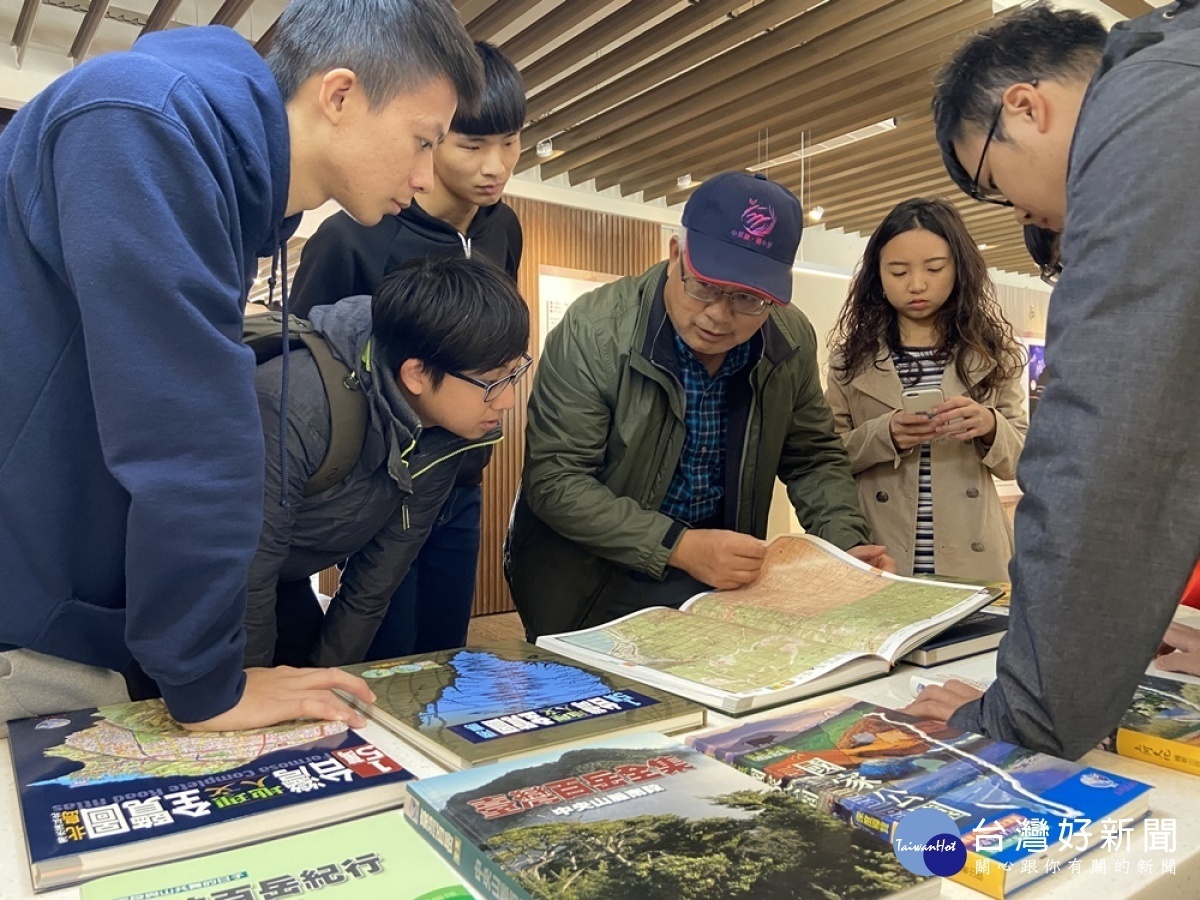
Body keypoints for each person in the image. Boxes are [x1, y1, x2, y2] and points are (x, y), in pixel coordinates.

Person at [0, 0, 482, 731]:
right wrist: (207, 681)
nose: (425, 177)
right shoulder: (145, 122)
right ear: (341, 95)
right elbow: (187, 432)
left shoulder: (218, 173)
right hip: (27, 627)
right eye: (422, 141)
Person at [907, 1, 1200, 757]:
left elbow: (1107, 438)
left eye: (992, 184)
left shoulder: (1149, 110)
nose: (1019, 213)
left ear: (1026, 107)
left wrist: (1024, 714)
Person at [505, 170, 894, 641]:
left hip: (718, 579)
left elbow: (813, 457)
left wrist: (843, 545)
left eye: (748, 298)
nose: (717, 314)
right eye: (704, 286)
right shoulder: (597, 330)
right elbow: (556, 480)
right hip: (594, 575)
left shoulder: (788, 341)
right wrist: (678, 546)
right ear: (676, 255)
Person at [289, 41, 525, 659]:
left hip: (460, 481)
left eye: (510, 142)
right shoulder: (357, 233)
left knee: (443, 657)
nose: (495, 166)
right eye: (471, 145)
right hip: (378, 494)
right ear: (432, 137)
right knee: (381, 654)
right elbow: (300, 368)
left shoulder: (504, 227)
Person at [246, 257, 530, 669]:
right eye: (492, 382)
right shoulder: (294, 405)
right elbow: (249, 567)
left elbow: (373, 585)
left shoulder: (446, 432)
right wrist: (250, 689)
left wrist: (328, 683)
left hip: (281, 575)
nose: (506, 400)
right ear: (416, 373)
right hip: (200, 577)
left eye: (514, 373)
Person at [825, 198, 1027, 582]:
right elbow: (826, 458)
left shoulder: (994, 352)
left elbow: (1023, 460)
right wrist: (884, 435)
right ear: (877, 276)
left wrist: (988, 425)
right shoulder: (849, 359)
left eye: (934, 269)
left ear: (959, 269)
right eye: (898, 272)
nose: (916, 285)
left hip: (973, 548)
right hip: (882, 550)